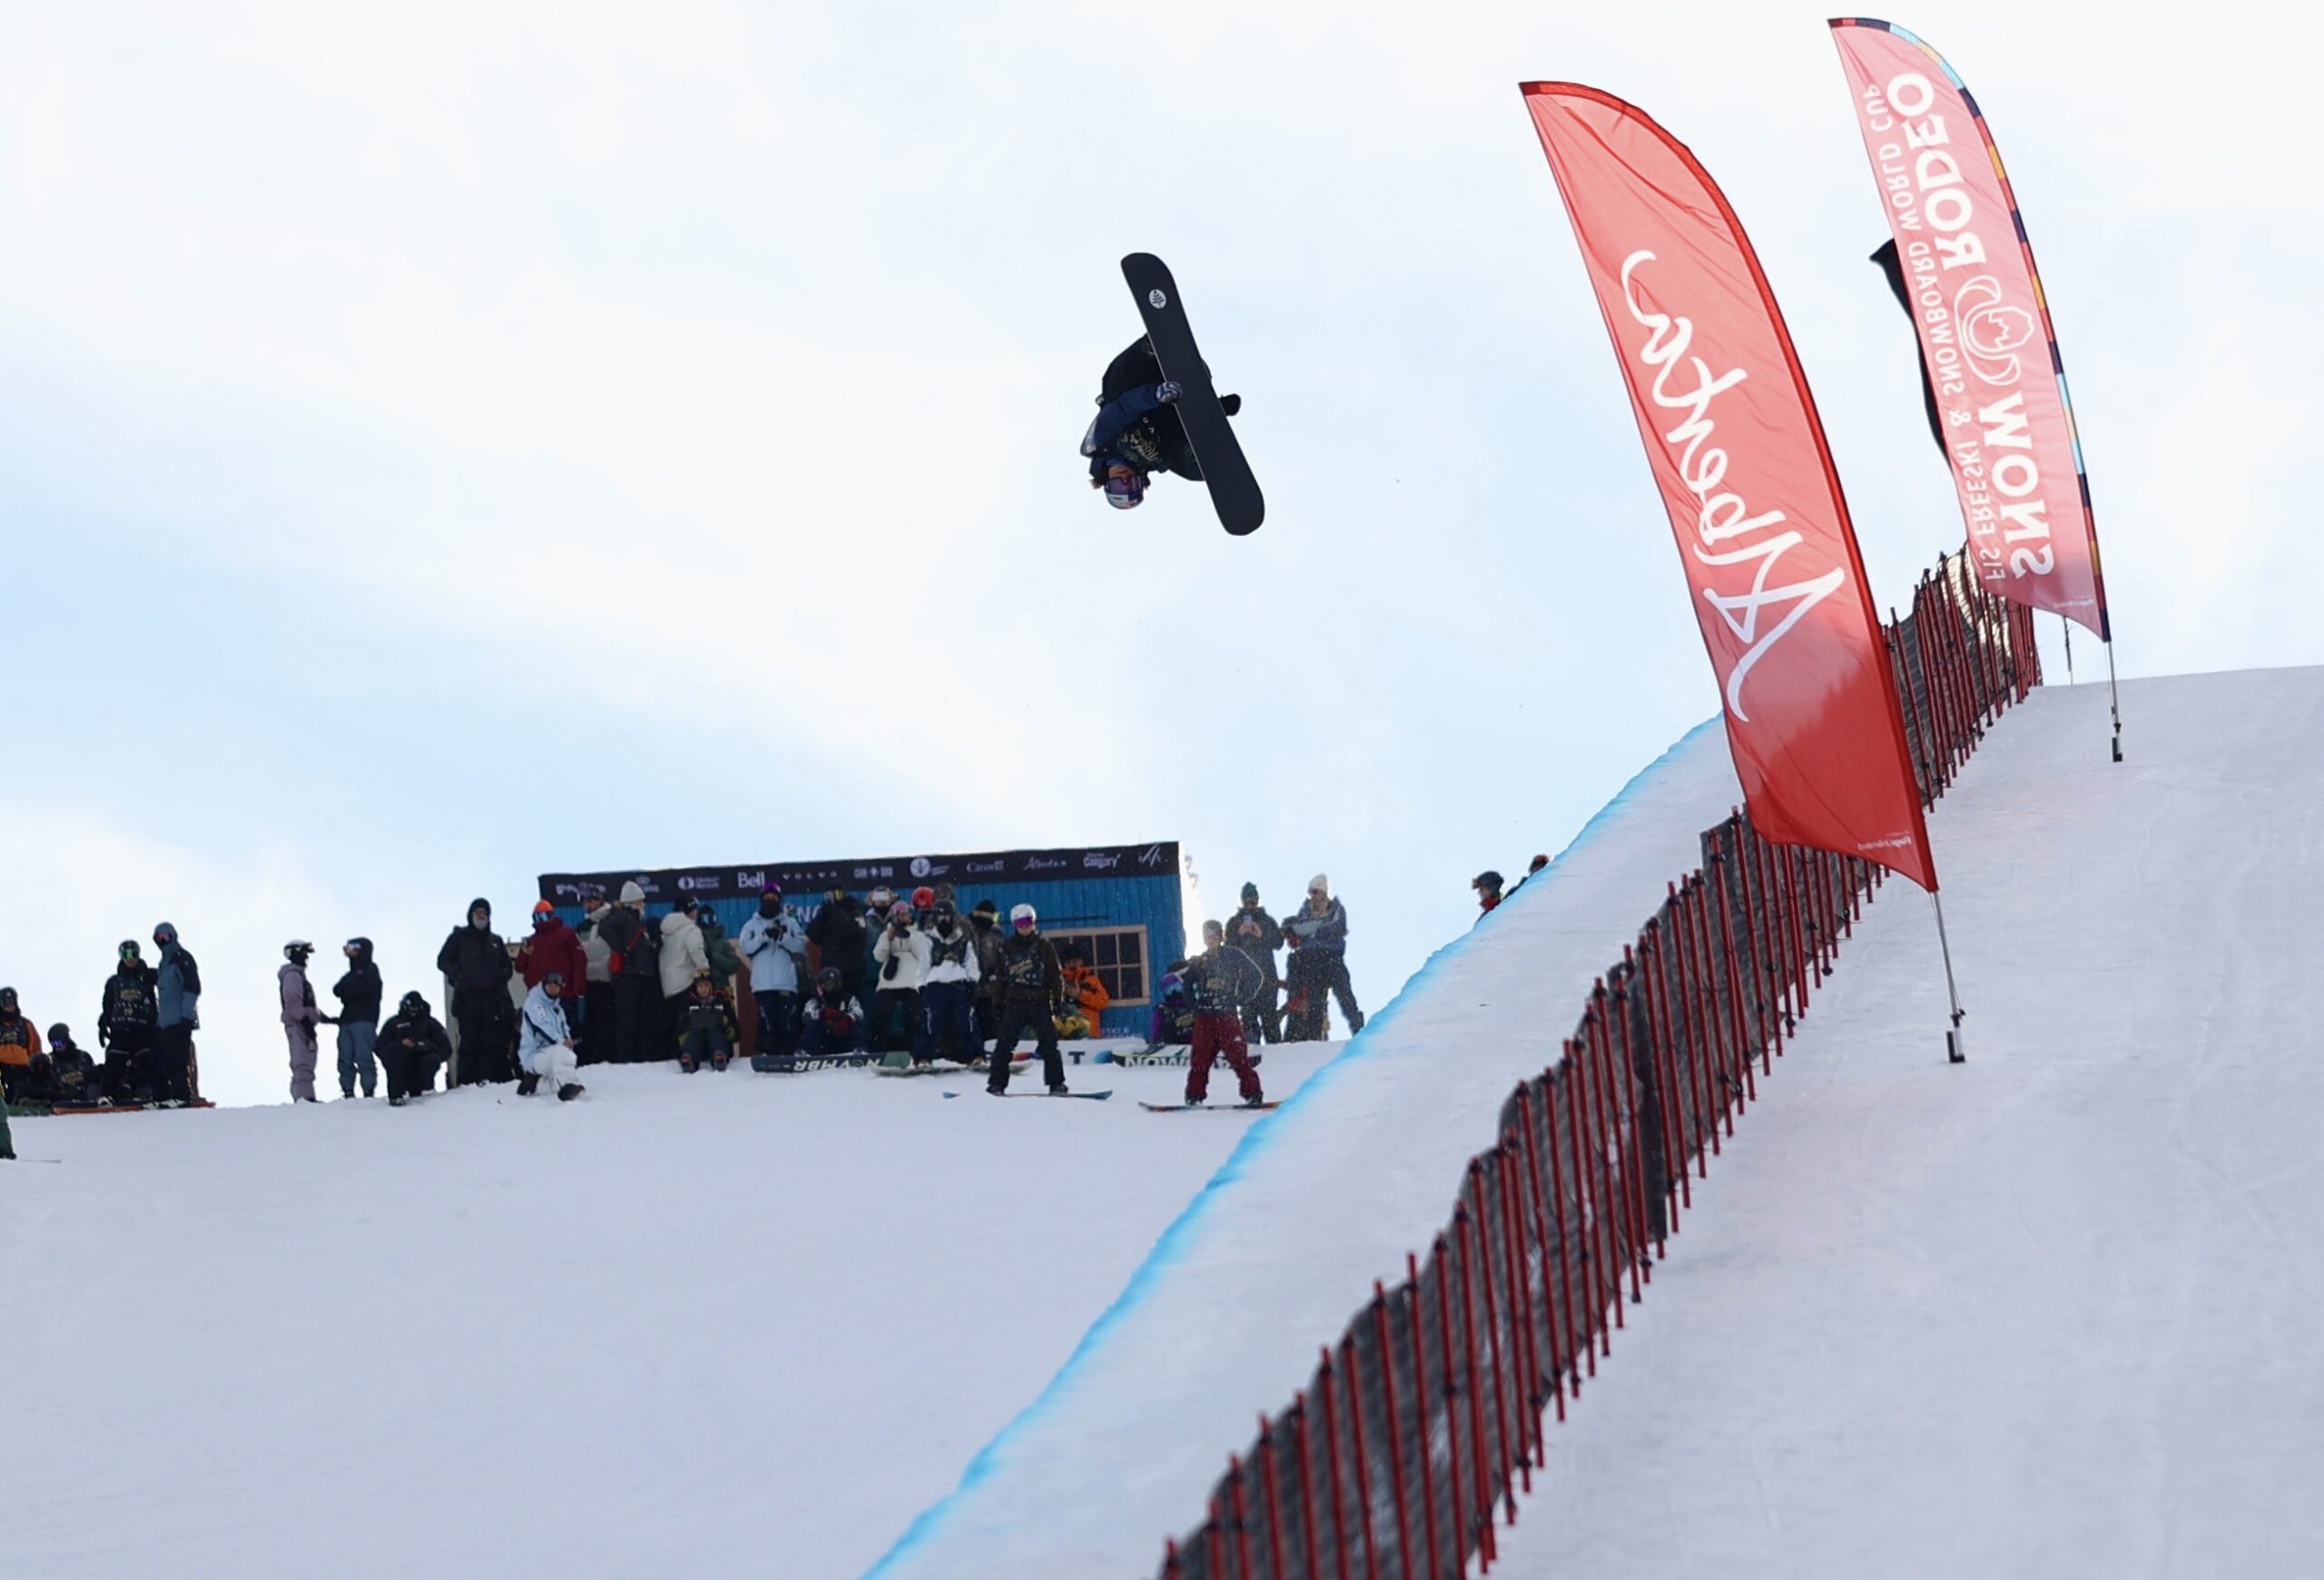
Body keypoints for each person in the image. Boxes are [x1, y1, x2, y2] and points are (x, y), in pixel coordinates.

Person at [1080, 338, 1242, 511]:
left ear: (1107, 482)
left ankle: (1149, 350)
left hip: (1149, 378)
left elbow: (1123, 408)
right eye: (1131, 485)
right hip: (1179, 394)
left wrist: (1155, 394)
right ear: (1141, 481)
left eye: (1119, 486)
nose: (1124, 479)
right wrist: (1217, 410)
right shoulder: (1155, 462)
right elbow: (1176, 434)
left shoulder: (1100, 442)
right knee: (1178, 463)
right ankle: (1198, 452)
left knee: (1112, 387)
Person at [1172, 920, 1265, 1107]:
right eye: (1207, 936)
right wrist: (1194, 1006)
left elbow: (1256, 975)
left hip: (1227, 1016)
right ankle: (1194, 1096)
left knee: (1239, 1057)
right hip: (1205, 1017)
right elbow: (1187, 986)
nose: (1211, 940)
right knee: (1200, 1059)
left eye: (1214, 936)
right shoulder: (1199, 961)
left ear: (1221, 936)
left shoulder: (1232, 955)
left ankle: (1253, 1094)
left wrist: (1242, 997)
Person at [987, 904, 1068, 1096]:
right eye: (1021, 923)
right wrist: (997, 1002)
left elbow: (1054, 975)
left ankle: (1056, 1083)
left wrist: (1058, 1000)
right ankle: (996, 1084)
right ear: (1015, 924)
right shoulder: (1005, 947)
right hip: (1015, 1002)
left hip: (1039, 1001)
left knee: (1049, 1044)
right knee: (1004, 1044)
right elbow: (1000, 977)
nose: (1025, 926)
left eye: (1028, 922)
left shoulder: (1043, 946)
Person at [436, 898, 516, 1087]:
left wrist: (499, 977)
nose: (481, 917)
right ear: (471, 915)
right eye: (478, 913)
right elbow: (442, 960)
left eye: (484, 914)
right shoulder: (459, 937)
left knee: (492, 1040)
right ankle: (467, 1083)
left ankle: (491, 1081)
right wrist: (458, 975)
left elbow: (507, 967)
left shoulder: (495, 941)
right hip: (467, 998)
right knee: (470, 1040)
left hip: (493, 999)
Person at [737, 884, 809, 1064]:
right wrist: (763, 936)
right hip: (763, 984)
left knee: (787, 1021)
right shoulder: (751, 925)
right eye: (767, 898)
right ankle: (768, 1055)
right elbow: (745, 947)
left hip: (786, 982)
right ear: (761, 900)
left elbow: (801, 947)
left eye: (774, 898)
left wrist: (783, 938)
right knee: (767, 1021)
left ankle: (788, 1054)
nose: (770, 901)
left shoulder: (791, 923)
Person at [1285, 874, 1364, 1040]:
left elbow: (1338, 927)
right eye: (1311, 892)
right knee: (1315, 1001)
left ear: (1323, 891)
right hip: (1312, 961)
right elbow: (1297, 928)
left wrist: (1314, 931)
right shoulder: (1305, 911)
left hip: (1332, 958)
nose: (1312, 896)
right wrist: (1314, 928)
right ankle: (1314, 1040)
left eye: (1315, 892)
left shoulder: (1336, 908)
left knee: (1345, 996)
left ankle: (1359, 1031)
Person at [595, 881, 661, 1064]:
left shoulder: (635, 919)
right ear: (633, 901)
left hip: (638, 974)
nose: (644, 905)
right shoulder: (623, 917)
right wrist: (622, 948)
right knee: (628, 1019)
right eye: (641, 901)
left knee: (638, 1018)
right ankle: (627, 1058)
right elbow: (604, 928)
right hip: (629, 975)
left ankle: (637, 1057)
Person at [916, 899, 982, 1065]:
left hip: (958, 985)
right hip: (935, 985)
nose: (944, 921)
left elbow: (971, 962)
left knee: (965, 1022)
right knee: (931, 1022)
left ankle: (975, 1056)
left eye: (946, 917)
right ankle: (923, 1057)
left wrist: (972, 981)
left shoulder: (963, 939)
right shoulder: (929, 939)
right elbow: (923, 964)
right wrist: (921, 985)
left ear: (953, 918)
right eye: (940, 917)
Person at [97, 939, 160, 1104]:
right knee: (114, 1063)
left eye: (133, 954)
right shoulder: (114, 982)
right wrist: (103, 1024)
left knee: (150, 1062)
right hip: (121, 1029)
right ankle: (107, 1097)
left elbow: (167, 984)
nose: (130, 958)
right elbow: (108, 1004)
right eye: (126, 954)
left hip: (143, 1029)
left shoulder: (149, 976)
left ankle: (159, 1095)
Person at [323, 937, 384, 1100]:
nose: (351, 952)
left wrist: (349, 992)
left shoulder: (371, 970)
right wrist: (350, 990)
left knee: (364, 1057)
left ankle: (368, 1091)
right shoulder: (352, 973)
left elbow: (361, 990)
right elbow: (337, 990)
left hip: (364, 1020)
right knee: (345, 1058)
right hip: (347, 1020)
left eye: (354, 948)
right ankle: (348, 1090)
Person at [148, 922, 201, 1106]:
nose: (162, 941)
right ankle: (160, 1098)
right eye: (158, 938)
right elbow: (164, 995)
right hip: (165, 1022)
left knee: (176, 1059)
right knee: (158, 1060)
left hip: (179, 1019)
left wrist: (187, 1015)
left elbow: (192, 987)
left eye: (165, 936)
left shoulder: (181, 958)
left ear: (173, 936)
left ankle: (181, 1096)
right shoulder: (164, 963)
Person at [1223, 884, 1284, 1045]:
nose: (1251, 905)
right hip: (1244, 981)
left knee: (1270, 1020)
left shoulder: (1267, 921)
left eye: (1253, 902)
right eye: (1248, 902)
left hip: (1267, 979)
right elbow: (1227, 950)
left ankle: (1280, 1058)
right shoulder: (1234, 923)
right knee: (1249, 1021)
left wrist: (1262, 935)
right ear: (1242, 901)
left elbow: (1279, 942)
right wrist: (1239, 934)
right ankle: (1252, 1058)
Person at [514, 972, 585, 1101]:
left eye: (556, 986)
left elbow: (564, 1030)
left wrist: (568, 1044)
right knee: (559, 1052)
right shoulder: (534, 1003)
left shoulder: (557, 1009)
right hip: (534, 1055)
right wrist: (562, 1042)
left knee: (565, 1057)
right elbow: (542, 1026)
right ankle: (568, 1086)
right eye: (550, 985)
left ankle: (536, 1085)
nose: (553, 989)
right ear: (544, 985)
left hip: (551, 1054)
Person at [870, 899, 927, 1055]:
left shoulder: (918, 935)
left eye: (906, 915)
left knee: (914, 1019)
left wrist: (909, 937)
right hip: (889, 981)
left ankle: (916, 1051)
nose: (904, 918)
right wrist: (888, 939)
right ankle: (878, 1052)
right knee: (881, 1018)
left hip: (911, 982)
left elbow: (922, 956)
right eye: (900, 915)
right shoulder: (886, 934)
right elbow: (879, 956)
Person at [376, 991, 451, 1106]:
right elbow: (379, 1046)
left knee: (429, 1060)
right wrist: (400, 1045)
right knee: (395, 1051)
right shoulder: (394, 1023)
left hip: (423, 1067)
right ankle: (396, 1095)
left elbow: (446, 1049)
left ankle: (425, 1092)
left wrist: (422, 1046)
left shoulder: (431, 1024)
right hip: (400, 1066)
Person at [656, 897, 712, 1049]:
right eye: (694, 909)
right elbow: (695, 950)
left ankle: (672, 1053)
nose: (696, 913)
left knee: (672, 1022)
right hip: (685, 981)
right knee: (687, 1022)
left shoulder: (666, 930)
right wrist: (705, 970)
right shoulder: (691, 929)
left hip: (667, 983)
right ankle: (688, 1052)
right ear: (689, 911)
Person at [272, 940, 321, 1103]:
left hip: (301, 1021)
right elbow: (293, 1002)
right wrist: (306, 1022)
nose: (306, 958)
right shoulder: (292, 975)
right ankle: (303, 1097)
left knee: (306, 1058)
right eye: (304, 954)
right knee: (302, 1059)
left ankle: (305, 1095)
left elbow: (306, 1004)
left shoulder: (297, 975)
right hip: (297, 1023)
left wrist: (324, 1018)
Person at [806, 886, 870, 1006]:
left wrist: (838, 913)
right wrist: (822, 916)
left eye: (838, 893)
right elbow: (813, 936)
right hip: (831, 969)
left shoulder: (853, 909)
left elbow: (857, 931)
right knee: (832, 1007)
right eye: (830, 894)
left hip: (853, 969)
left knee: (854, 1004)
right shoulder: (825, 913)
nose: (834, 897)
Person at [576, 891, 616, 1065]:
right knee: (591, 1024)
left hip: (608, 981)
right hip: (589, 982)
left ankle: (608, 1058)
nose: (589, 904)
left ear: (601, 901)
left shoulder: (611, 920)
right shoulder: (582, 926)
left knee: (608, 1023)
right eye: (586, 901)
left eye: (592, 900)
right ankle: (593, 1060)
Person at [675, 971, 739, 1073]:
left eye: (706, 985)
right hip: (696, 1043)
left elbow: (735, 1033)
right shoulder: (687, 1004)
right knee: (698, 1025)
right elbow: (679, 1032)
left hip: (718, 1043)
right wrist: (690, 1021)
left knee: (713, 1025)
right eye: (700, 986)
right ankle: (689, 1059)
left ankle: (719, 1058)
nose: (704, 989)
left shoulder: (722, 1002)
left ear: (711, 986)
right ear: (696, 988)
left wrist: (723, 1020)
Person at [798, 967, 869, 1058]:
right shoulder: (816, 1000)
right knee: (813, 1027)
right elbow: (807, 1015)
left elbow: (859, 1013)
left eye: (834, 984)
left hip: (842, 1039)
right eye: (827, 985)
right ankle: (803, 1051)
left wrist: (847, 1019)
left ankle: (859, 1049)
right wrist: (822, 1014)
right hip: (822, 1041)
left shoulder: (848, 999)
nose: (831, 988)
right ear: (821, 986)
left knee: (855, 1027)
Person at [29, 1024, 102, 1108]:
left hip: (86, 1096)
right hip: (62, 1099)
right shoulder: (49, 1061)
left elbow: (93, 1076)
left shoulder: (84, 1057)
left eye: (60, 1043)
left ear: (67, 1039)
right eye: (54, 1044)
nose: (58, 1047)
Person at [967, 898, 1006, 1050]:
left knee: (991, 1021)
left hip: (991, 990)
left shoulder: (996, 934)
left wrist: (996, 975)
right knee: (971, 1021)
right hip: (971, 988)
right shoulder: (967, 930)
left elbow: (1002, 959)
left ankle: (992, 1049)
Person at [1056, 945, 1111, 1042]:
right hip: (1064, 1037)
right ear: (1064, 964)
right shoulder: (1057, 981)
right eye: (1069, 962)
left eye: (1075, 961)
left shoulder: (1092, 980)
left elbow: (1103, 1002)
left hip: (1089, 1035)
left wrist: (1080, 995)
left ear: (1081, 961)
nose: (1072, 964)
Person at [0, 987, 37, 1105]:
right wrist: (15, 1053)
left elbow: (35, 1049)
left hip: (22, 1069)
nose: (10, 1005)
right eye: (6, 1001)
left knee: (22, 1089)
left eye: (12, 1001)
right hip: (2, 1068)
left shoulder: (26, 1024)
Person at [1143, 972, 1196, 1052]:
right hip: (1168, 1048)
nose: (1174, 992)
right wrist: (1155, 1043)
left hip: (1193, 1045)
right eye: (1169, 990)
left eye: (1177, 987)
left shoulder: (1193, 1007)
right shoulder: (1162, 1010)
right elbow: (1156, 1031)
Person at [700, 907, 743, 993]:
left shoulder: (723, 944)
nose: (705, 922)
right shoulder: (694, 942)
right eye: (702, 919)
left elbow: (733, 965)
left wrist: (712, 956)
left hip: (722, 990)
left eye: (708, 918)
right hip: (700, 991)